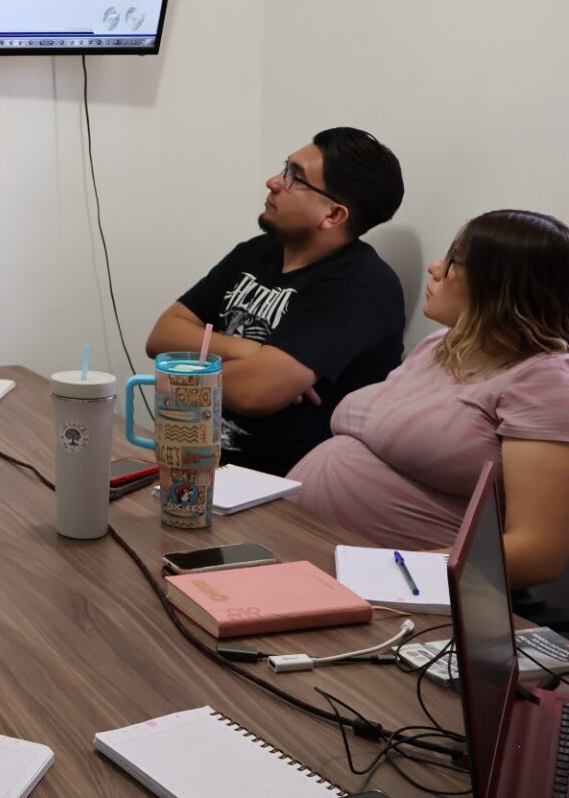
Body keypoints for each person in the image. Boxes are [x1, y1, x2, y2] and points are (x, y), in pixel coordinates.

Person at [291, 210, 569, 588]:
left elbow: (538, 553)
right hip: (308, 545)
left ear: (497, 285)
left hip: (398, 587)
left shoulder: (545, 381)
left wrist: (384, 572)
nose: (435, 268)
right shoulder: (441, 343)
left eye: (453, 261)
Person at [146, 128, 407, 475]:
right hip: (198, 463)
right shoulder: (258, 251)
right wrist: (249, 351)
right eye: (286, 168)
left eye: (295, 177)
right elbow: (162, 336)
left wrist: (181, 372)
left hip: (279, 488)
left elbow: (254, 392)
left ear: (333, 215)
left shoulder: (360, 286)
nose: (273, 182)